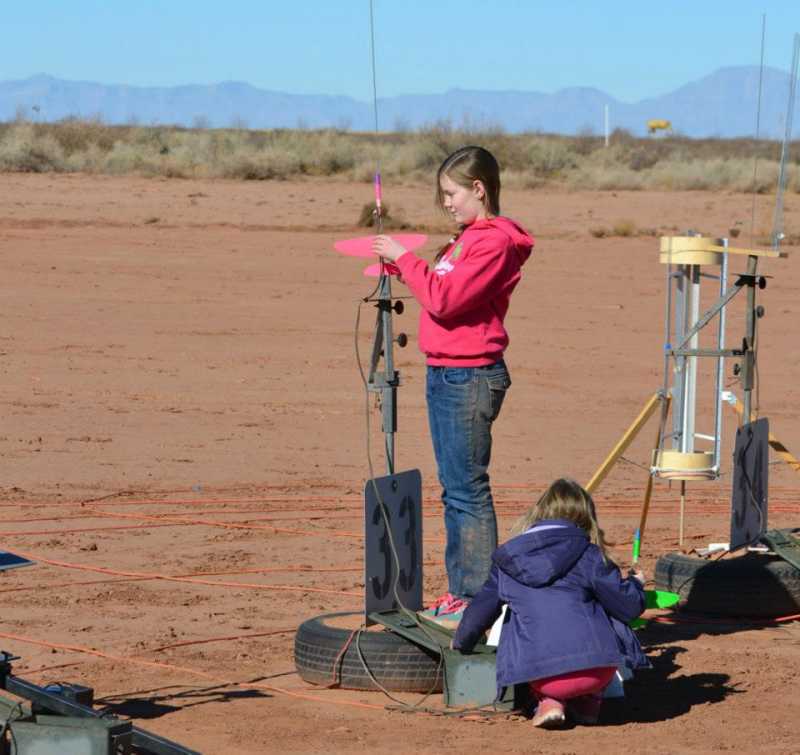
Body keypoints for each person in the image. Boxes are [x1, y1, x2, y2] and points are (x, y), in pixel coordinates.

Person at [372, 146, 534, 625]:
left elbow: (444, 300)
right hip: (446, 371)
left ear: (478, 189)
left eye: (451, 193)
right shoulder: (466, 240)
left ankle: (473, 597)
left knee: (466, 491)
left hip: (469, 375)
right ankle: (463, 592)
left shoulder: (492, 243)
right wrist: (404, 267)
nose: (446, 202)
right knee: (455, 489)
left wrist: (404, 258)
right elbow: (439, 288)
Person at [451, 478, 649, 728]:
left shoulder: (508, 560)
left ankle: (548, 700)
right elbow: (628, 607)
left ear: (540, 512)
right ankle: (589, 700)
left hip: (541, 674)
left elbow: (480, 611)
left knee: (519, 616)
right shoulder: (590, 554)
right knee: (601, 603)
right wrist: (636, 584)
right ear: (586, 517)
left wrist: (461, 641)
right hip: (599, 671)